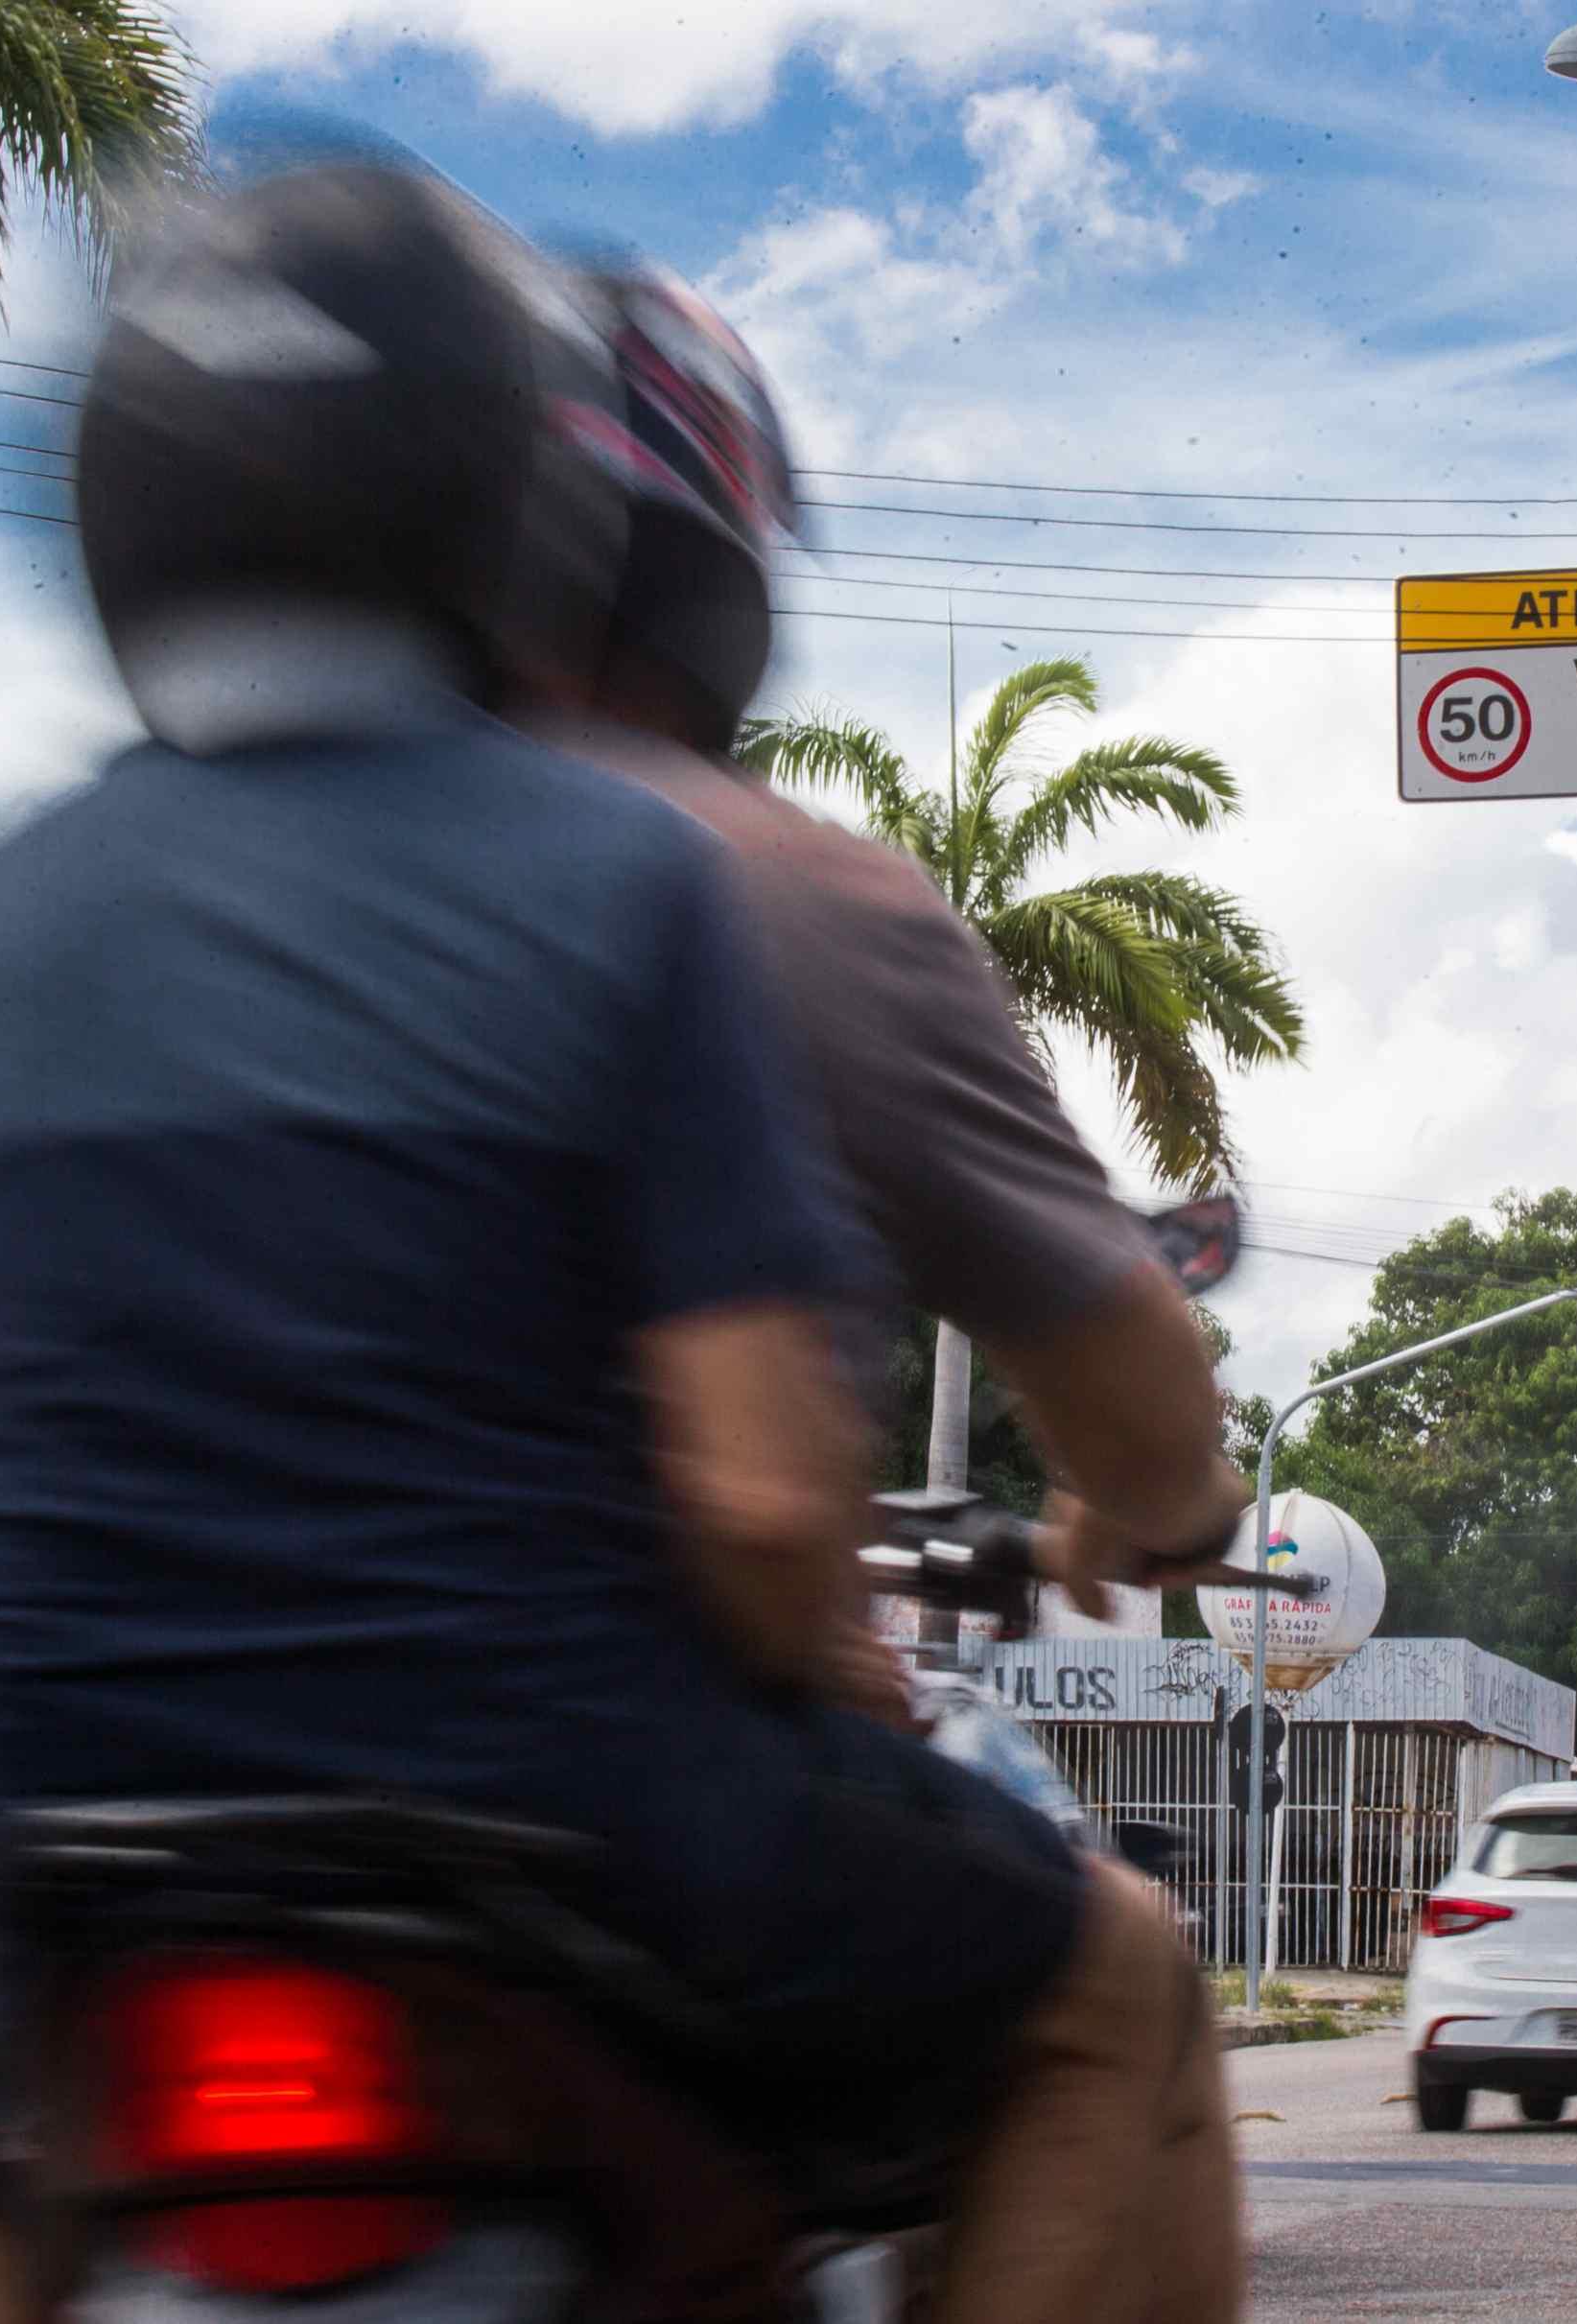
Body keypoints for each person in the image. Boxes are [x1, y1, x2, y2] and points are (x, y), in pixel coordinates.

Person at [0, 164, 1220, 2324]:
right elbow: (765, 1493)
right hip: (575, 1823)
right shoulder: (627, 885)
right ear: (495, 509)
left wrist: (96, 1663)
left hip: (71, 1848)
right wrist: (796, 1651)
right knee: (1109, 1995)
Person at [553, 257, 1259, 2312]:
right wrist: (1153, 1503)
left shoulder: (155, 876)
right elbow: (1102, 1432)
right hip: (611, 1781)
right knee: (1119, 1971)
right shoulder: (791, 888)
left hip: (142, 1775)